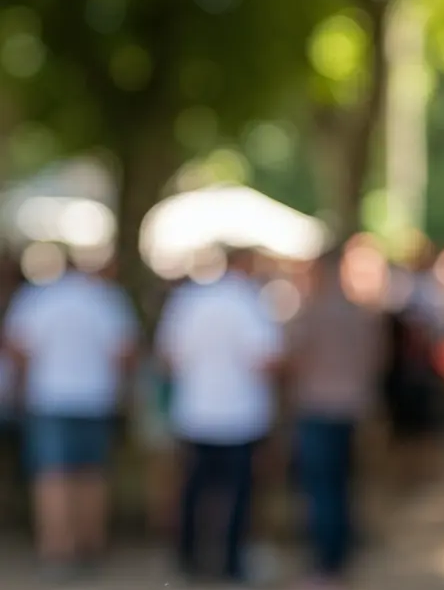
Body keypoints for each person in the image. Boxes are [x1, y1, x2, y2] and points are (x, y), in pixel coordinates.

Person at [3, 258, 138, 580]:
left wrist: (22, 385)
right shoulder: (106, 297)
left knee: (52, 475)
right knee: (92, 473)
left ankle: (57, 549)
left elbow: (16, 347)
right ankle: (90, 545)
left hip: (49, 397)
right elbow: (125, 351)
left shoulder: (37, 297)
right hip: (96, 397)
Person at [157, 248, 284, 584]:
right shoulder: (250, 302)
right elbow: (267, 359)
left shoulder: (188, 299)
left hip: (195, 411)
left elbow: (168, 356)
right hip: (239, 415)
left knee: (194, 488)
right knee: (238, 492)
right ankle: (230, 561)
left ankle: (188, 557)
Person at [285, 247, 385, 589]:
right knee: (341, 484)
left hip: (318, 407)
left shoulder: (312, 313)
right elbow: (375, 359)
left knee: (321, 489)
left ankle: (325, 565)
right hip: (351, 407)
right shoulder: (359, 313)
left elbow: (295, 358)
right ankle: (339, 555)